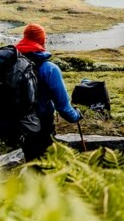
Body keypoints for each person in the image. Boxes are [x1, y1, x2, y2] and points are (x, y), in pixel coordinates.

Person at [15, 23, 82, 160]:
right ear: (42, 40)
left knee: (31, 160)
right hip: (40, 126)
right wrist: (76, 116)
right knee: (45, 165)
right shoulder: (49, 68)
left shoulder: (14, 65)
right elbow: (63, 107)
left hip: (17, 124)